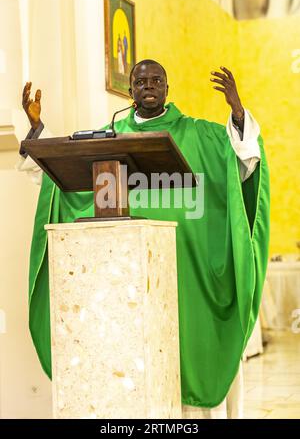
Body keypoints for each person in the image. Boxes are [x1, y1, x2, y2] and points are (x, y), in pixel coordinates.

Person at [18, 60, 270, 419]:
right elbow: (64, 186)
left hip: (188, 273)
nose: (148, 86)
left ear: (168, 89)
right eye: (140, 81)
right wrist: (38, 128)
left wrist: (239, 113)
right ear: (130, 90)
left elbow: (246, 161)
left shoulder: (202, 136)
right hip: (125, 284)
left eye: (156, 80)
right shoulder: (108, 140)